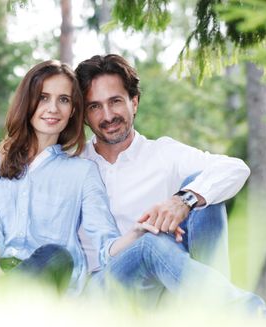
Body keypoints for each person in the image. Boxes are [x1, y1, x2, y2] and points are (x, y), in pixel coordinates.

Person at [0, 60, 156, 294]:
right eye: (44, 97)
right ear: (28, 102)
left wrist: (138, 231)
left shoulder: (82, 172)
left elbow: (105, 246)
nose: (53, 108)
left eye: (63, 100)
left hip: (42, 277)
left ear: (73, 110)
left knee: (57, 255)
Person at [75, 54, 248, 276]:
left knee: (205, 193)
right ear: (85, 116)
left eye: (115, 101)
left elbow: (236, 168)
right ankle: (239, 308)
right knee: (149, 243)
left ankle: (212, 303)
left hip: (165, 283)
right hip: (104, 288)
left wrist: (184, 200)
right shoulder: (74, 166)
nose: (107, 115)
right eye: (95, 106)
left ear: (134, 102)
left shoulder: (163, 154)